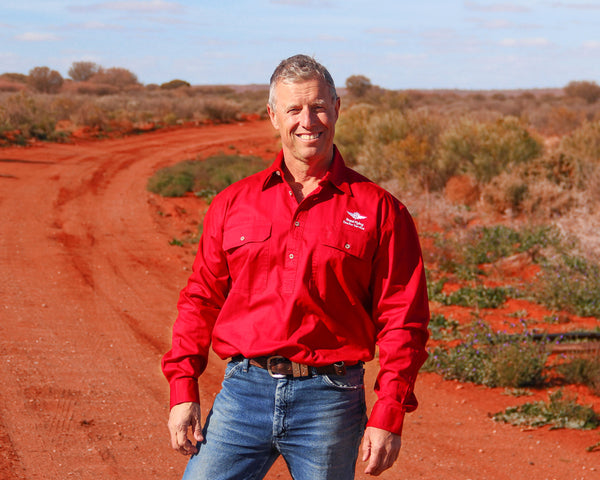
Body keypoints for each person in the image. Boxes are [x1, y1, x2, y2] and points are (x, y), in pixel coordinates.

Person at [161, 54, 430, 479]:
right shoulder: (234, 203)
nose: (309, 120)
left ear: (337, 108)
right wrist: (182, 388)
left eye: (320, 106)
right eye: (294, 109)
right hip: (243, 391)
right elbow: (200, 299)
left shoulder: (381, 210)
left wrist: (389, 411)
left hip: (331, 400)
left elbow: (404, 319)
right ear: (272, 115)